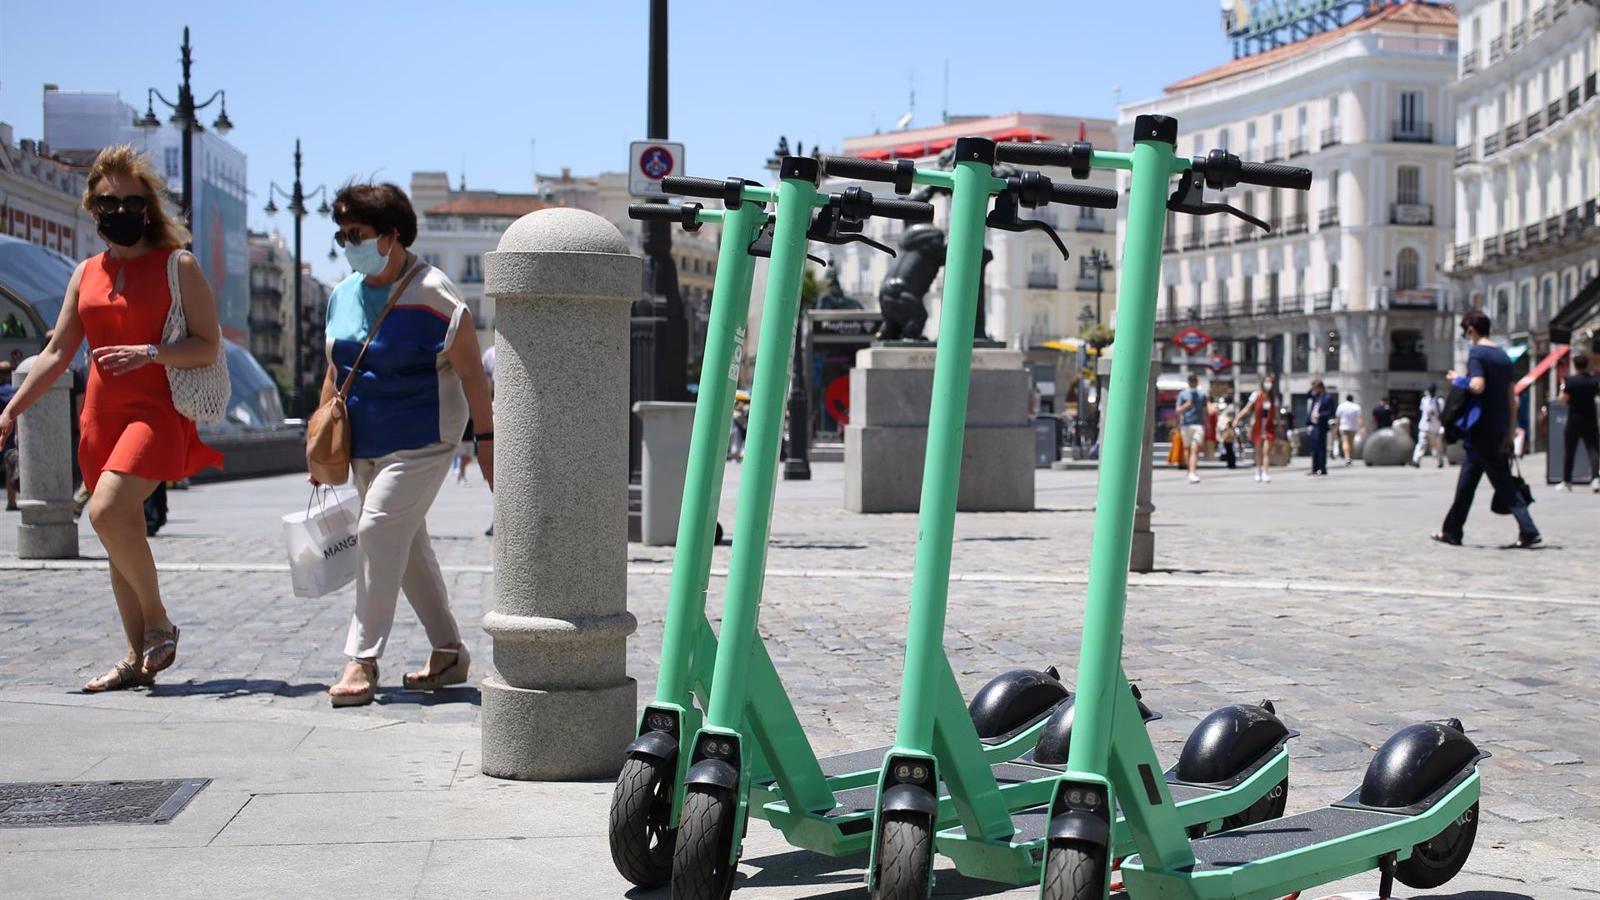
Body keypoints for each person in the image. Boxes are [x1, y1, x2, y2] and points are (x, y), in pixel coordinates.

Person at [0, 145, 223, 691]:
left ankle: (158, 622)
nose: (119, 211)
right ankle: (134, 659)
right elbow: (56, 353)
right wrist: (11, 408)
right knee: (116, 532)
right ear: (92, 207)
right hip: (100, 418)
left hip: (154, 413)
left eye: (130, 201)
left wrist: (150, 353)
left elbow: (207, 345)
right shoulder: (86, 274)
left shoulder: (177, 266)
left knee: (105, 510)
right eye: (107, 202)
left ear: (148, 208)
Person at [319, 181, 495, 708]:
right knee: (405, 542)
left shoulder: (436, 294)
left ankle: (362, 657)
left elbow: (472, 375)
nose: (348, 244)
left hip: (424, 439)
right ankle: (449, 650)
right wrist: (320, 439)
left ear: (391, 236)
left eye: (357, 234)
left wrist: (485, 443)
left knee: (377, 528)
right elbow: (335, 372)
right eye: (342, 235)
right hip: (363, 443)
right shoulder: (341, 294)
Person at [1434, 310, 1540, 548]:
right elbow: (1512, 398)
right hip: (1498, 427)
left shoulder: (1477, 354)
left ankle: (1529, 530)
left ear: (1471, 330)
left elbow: (1478, 386)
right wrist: (1510, 432)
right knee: (1467, 482)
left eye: (1466, 332)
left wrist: (1458, 380)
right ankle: (1451, 531)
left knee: (1503, 483)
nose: (1466, 337)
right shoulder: (1503, 356)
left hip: (1481, 428)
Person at [1558, 353, 1599, 491]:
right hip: (1590, 419)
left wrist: (1562, 387)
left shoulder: (1570, 381)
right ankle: (1595, 479)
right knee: (1593, 451)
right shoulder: (1593, 381)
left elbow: (1562, 401)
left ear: (1575, 366)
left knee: (1570, 450)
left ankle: (1567, 481)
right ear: (1586, 365)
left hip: (1574, 420)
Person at [1236, 373, 1279, 483]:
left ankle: (1265, 472)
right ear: (1262, 383)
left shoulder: (1273, 397)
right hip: (1258, 425)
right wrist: (1237, 418)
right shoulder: (1256, 395)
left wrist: (1279, 425)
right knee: (1258, 450)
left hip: (1268, 425)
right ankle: (1258, 470)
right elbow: (1247, 408)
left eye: (1270, 382)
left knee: (1266, 451)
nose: (1268, 384)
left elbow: (1276, 413)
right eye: (1267, 381)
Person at [1175, 373, 1210, 484]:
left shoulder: (1202, 394)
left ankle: (1192, 472)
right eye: (1191, 380)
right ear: (1188, 382)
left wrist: (1208, 424)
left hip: (1198, 425)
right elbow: (1178, 410)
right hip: (1186, 425)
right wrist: (1186, 405)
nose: (1192, 382)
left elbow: (1205, 410)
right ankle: (1189, 471)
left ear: (1197, 381)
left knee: (1194, 449)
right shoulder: (1182, 394)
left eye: (1194, 380)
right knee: (1187, 449)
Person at [1304, 379, 1336, 476]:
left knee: (1321, 447)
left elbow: (1331, 412)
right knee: (1314, 447)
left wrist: (1320, 415)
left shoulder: (1327, 398)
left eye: (1315, 388)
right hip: (1314, 425)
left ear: (1320, 387)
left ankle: (1322, 468)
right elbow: (1307, 395)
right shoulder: (1316, 397)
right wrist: (1312, 389)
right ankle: (1315, 468)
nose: (1313, 390)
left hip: (1321, 425)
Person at [1411, 384, 1446, 468]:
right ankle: (1416, 461)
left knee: (1436, 447)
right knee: (1421, 444)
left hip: (1435, 428)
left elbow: (1442, 413)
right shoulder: (1424, 400)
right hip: (1424, 427)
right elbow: (1422, 411)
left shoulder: (1439, 401)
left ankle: (1440, 461)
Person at [1, 360, 17, 511]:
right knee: (10, 468)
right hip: (8, 435)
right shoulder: (11, 390)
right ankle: (12, 502)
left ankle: (11, 502)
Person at [1335, 392, 1360, 465]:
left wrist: (1337, 427)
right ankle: (1350, 458)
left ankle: (1347, 457)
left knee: (1345, 442)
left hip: (1343, 427)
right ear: (1352, 399)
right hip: (1353, 427)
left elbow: (1338, 418)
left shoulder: (1341, 406)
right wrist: (1361, 426)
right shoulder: (1356, 407)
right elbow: (1359, 418)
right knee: (1351, 443)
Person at [1215, 396, 1238, 469]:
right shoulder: (1229, 407)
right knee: (1228, 447)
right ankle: (1230, 462)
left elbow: (1230, 419)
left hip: (1228, 429)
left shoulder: (1230, 408)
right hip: (1226, 429)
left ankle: (1231, 463)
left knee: (1229, 447)